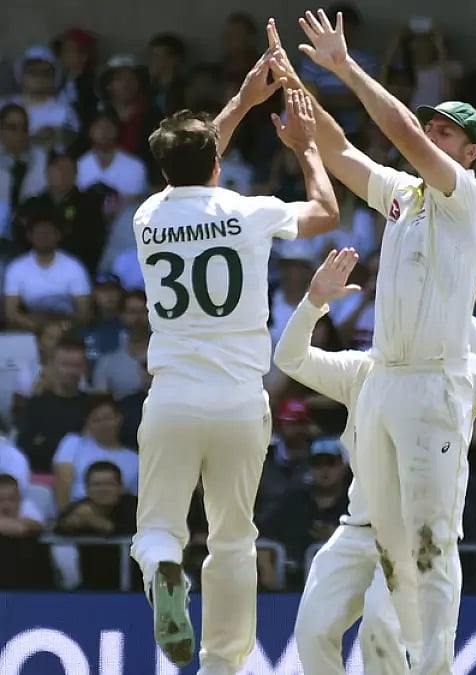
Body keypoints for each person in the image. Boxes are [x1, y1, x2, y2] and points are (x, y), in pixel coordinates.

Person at [269, 11, 476, 674]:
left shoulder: (468, 196)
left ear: (471, 151)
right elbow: (340, 153)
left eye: (448, 131)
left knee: (429, 548)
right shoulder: (404, 195)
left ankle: (435, 667)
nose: (433, 134)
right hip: (388, 379)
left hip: (434, 381)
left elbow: (395, 130)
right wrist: (297, 90)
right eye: (433, 125)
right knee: (385, 565)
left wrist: (344, 68)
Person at [128, 44, 341, 673]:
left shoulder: (148, 217)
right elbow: (326, 213)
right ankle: (223, 662)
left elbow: (190, 166)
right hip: (241, 401)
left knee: (159, 530)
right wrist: (304, 148)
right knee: (234, 539)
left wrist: (243, 101)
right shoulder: (249, 213)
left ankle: (166, 571)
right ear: (217, 164)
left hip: (171, 396)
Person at [275, 248, 476, 674]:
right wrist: (313, 303)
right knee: (312, 630)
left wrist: (448, 297)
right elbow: (289, 358)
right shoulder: (360, 371)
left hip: (416, 536)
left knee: (379, 632)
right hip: (357, 529)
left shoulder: (457, 376)